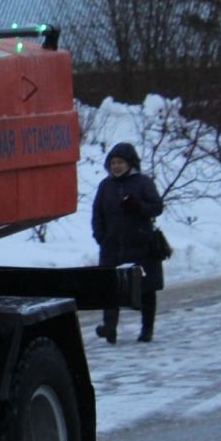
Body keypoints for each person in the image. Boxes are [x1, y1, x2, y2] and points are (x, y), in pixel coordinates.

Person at [92, 142, 164, 344]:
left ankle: (146, 329)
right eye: (113, 162)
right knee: (110, 288)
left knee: (146, 288)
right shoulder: (105, 186)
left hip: (140, 247)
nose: (116, 166)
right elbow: (97, 213)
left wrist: (138, 206)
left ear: (130, 164)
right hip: (112, 247)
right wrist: (100, 236)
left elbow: (157, 207)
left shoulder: (143, 183)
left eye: (120, 162)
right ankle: (109, 329)